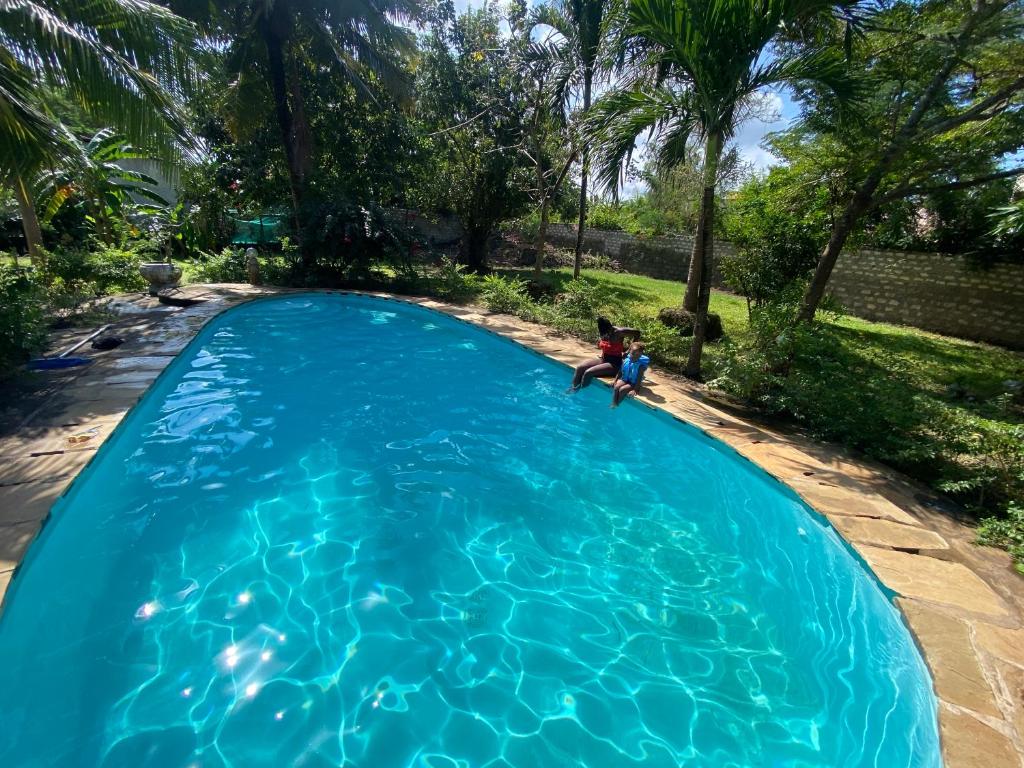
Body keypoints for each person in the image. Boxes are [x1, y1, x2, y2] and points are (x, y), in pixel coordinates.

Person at [568, 316, 641, 392]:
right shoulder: (603, 331)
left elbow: (637, 333)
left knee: (588, 372)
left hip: (615, 364)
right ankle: (573, 389)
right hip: (604, 359)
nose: (605, 334)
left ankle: (580, 392)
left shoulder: (619, 332)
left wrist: (629, 350)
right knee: (580, 368)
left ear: (609, 327)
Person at [611, 342, 650, 408]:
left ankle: (617, 405)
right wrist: (615, 380)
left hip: (633, 383)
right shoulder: (625, 360)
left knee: (622, 390)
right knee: (616, 387)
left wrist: (635, 390)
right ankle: (614, 403)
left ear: (641, 355)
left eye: (638, 355)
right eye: (633, 354)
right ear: (629, 351)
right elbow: (620, 372)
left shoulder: (640, 366)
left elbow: (639, 378)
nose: (634, 356)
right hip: (624, 379)